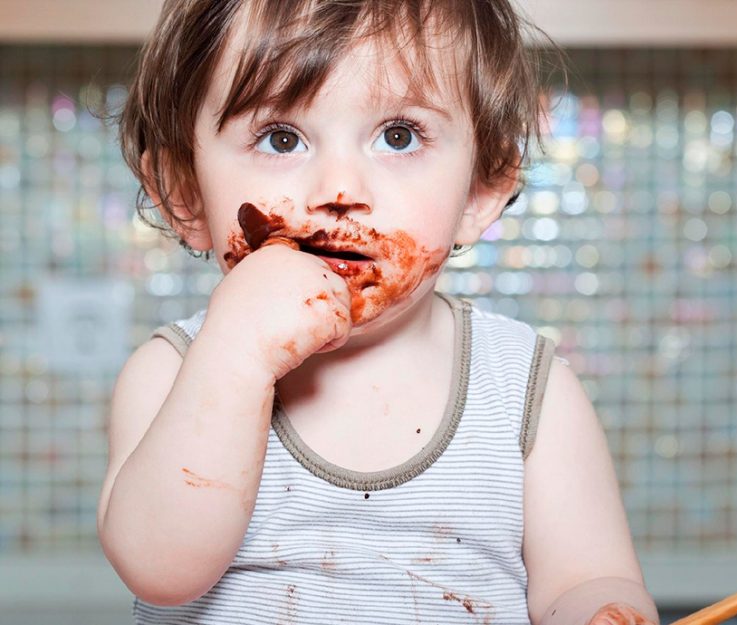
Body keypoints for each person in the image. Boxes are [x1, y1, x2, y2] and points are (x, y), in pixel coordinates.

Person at [97, 1, 659, 624]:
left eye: (399, 136)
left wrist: (601, 610)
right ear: (183, 191)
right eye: (281, 138)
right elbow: (159, 570)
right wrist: (233, 358)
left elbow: (586, 578)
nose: (340, 189)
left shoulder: (528, 389)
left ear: (481, 190)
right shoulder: (170, 374)